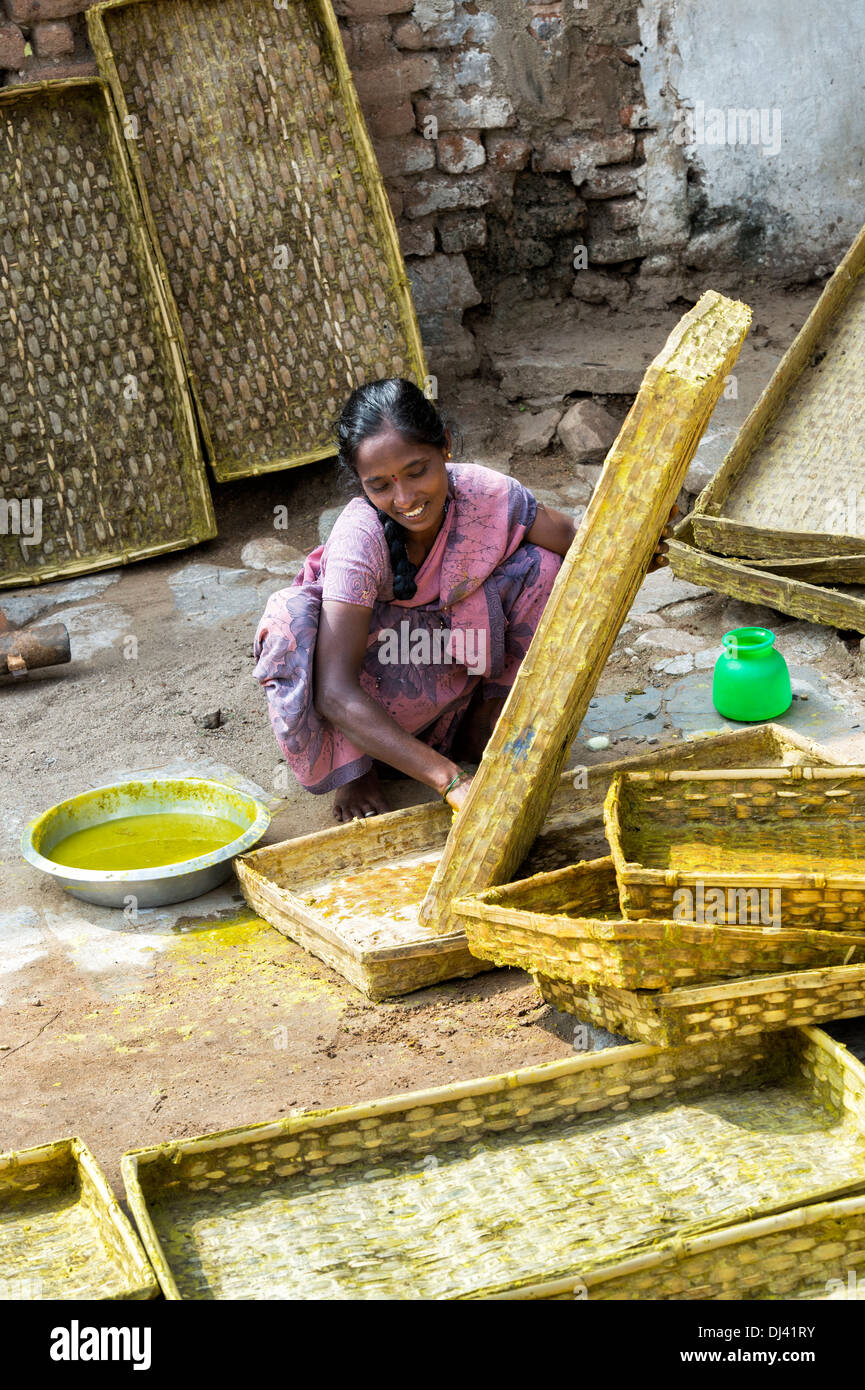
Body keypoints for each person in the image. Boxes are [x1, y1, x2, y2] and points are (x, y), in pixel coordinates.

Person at [253, 377, 579, 823]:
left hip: (451, 670)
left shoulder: (486, 493)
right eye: (380, 484)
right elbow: (333, 690)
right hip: (369, 692)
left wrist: (642, 546)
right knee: (291, 623)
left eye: (417, 471)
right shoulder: (359, 538)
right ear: (360, 482)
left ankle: (481, 726)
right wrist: (452, 781)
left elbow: (573, 540)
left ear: (444, 446)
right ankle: (354, 765)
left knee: (542, 564)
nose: (405, 499)